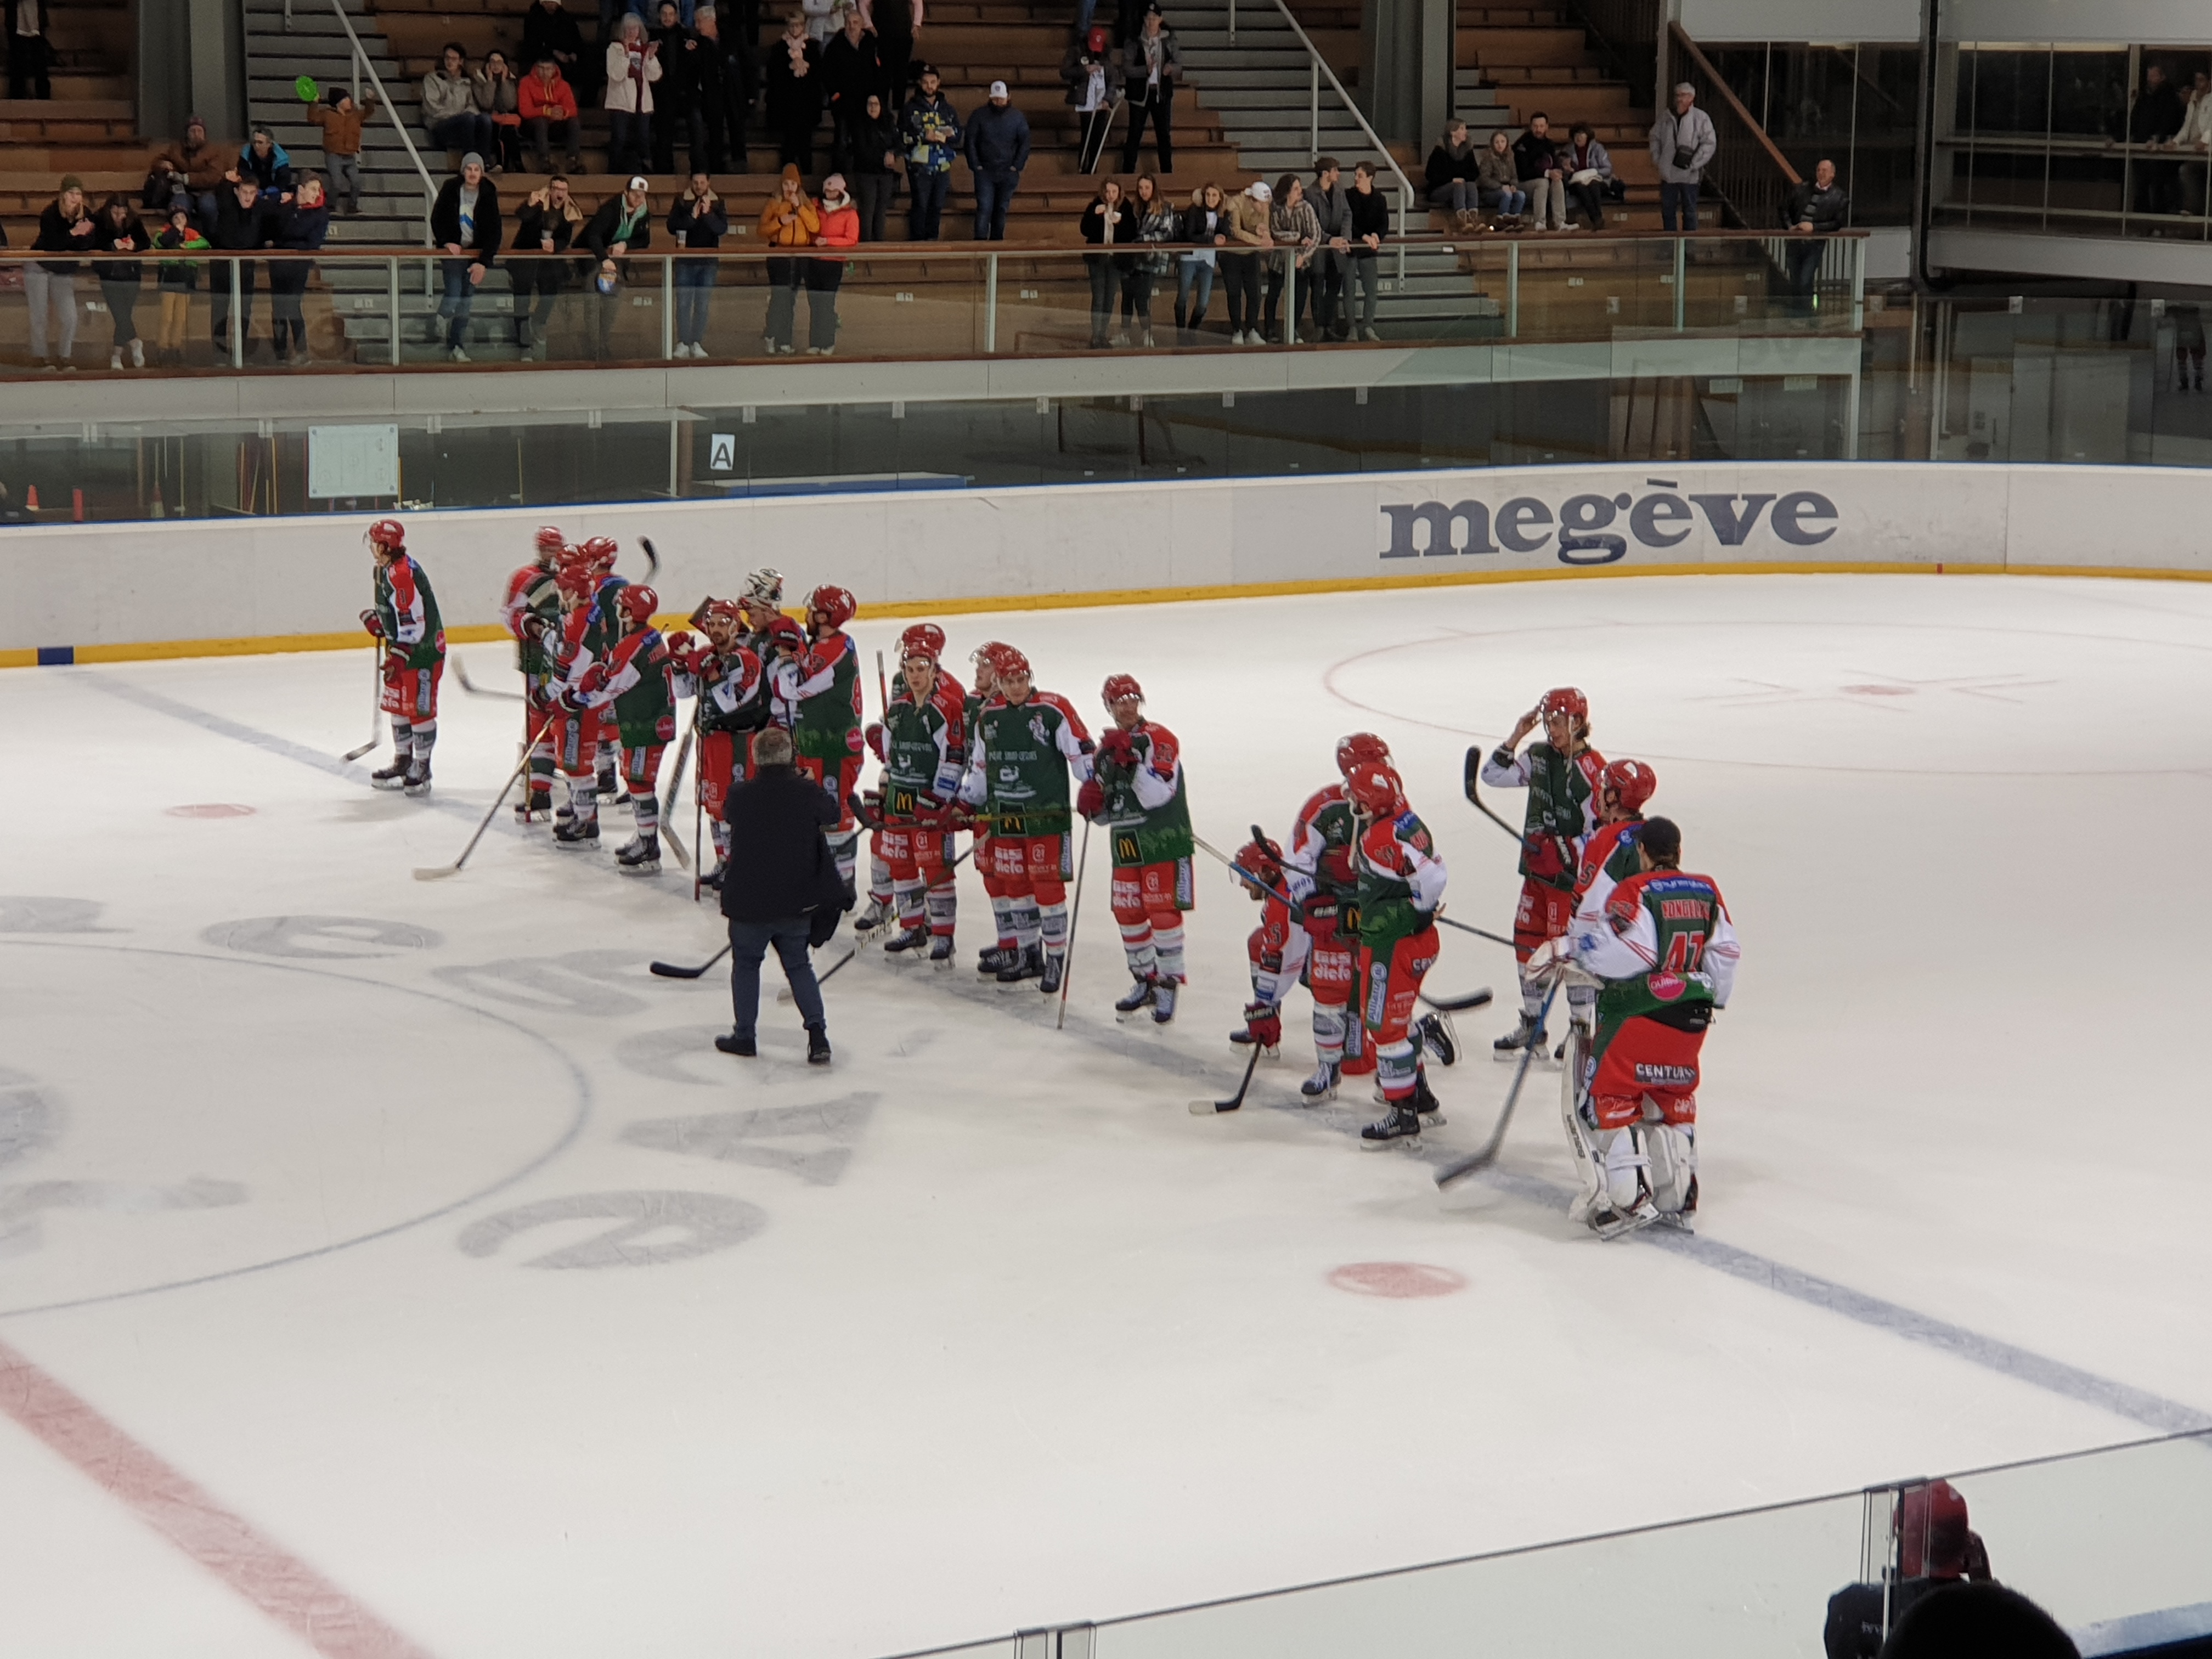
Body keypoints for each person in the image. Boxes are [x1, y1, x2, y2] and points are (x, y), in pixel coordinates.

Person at [1562, 816, 1739, 1234]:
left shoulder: (1636, 889)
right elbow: (1726, 954)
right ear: (1678, 851)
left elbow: (1629, 953)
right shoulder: (1708, 890)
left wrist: (1577, 953)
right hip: (1692, 1022)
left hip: (1639, 1017)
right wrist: (1709, 994)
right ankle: (1678, 1197)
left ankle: (1628, 1198)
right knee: (1672, 1098)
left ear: (1641, 851)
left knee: (1607, 1098)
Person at [1478, 686, 1606, 1057]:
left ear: (1579, 722)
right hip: (1536, 875)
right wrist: (1517, 735)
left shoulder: (1593, 771)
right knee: (1526, 942)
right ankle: (1533, 1025)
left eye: (1560, 721)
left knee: (1569, 953)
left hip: (1570, 883)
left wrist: (1565, 850)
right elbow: (1492, 775)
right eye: (1549, 721)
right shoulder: (1537, 756)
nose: (1553, 728)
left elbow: (1602, 832)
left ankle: (1580, 1030)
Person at [957, 642, 1093, 991]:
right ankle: (1029, 954)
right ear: (999, 682)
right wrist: (965, 803)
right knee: (1016, 886)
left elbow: (1082, 755)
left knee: (1047, 888)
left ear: (1030, 677)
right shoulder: (988, 717)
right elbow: (981, 769)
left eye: (1022, 679)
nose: (1017, 687)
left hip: (1045, 816)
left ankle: (1056, 958)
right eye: (1009, 681)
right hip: (1006, 818)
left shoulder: (1053, 709)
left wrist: (1096, 784)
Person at [715, 725, 841, 1066]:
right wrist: (810, 783)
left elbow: (728, 814)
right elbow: (833, 814)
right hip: (794, 902)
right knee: (799, 966)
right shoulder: (806, 793)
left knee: (746, 966)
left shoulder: (740, 795)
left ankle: (745, 1035)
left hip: (748, 902)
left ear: (755, 759)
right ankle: (818, 1036)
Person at [1342, 759, 1447, 1144]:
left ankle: (1402, 1113)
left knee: (1384, 1029)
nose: (1353, 802)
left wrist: (1420, 908)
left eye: (1357, 796)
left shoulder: (1379, 837)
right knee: (1398, 1023)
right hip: (1416, 940)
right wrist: (1422, 910)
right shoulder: (1407, 819)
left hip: (1392, 945)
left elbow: (1433, 875)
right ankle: (1421, 1097)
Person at [1077, 674, 1192, 1023]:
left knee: (1163, 915)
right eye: (1119, 700)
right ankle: (1145, 980)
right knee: (1128, 914)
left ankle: (1168, 985)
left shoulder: (1159, 738)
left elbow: (1157, 796)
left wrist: (1132, 767)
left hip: (1163, 840)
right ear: (1108, 706)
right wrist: (1092, 806)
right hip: (1126, 843)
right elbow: (1107, 813)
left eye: (1132, 699)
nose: (1127, 706)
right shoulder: (1104, 752)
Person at [865, 624, 968, 960]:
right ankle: (912, 928)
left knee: (936, 868)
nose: (915, 675)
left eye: (922, 668)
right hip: (900, 798)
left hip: (928, 801)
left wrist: (939, 798)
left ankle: (944, 935)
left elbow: (954, 756)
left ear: (935, 669)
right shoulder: (897, 710)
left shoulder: (947, 706)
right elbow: (891, 758)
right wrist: (885, 790)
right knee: (901, 865)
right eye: (909, 669)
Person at [564, 583, 678, 873]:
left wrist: (574, 698)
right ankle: (644, 836)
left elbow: (610, 687)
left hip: (646, 723)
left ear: (629, 611)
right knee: (635, 779)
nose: (617, 608)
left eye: (622, 605)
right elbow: (612, 672)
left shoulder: (634, 645)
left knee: (639, 782)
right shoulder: (647, 637)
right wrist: (600, 672)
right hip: (646, 720)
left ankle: (649, 846)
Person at [1824, 1480, 1996, 1659]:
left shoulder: (1853, 1605)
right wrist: (1985, 1588)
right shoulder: (1974, 1614)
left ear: (1900, 1535)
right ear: (1967, 1543)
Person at [662, 596, 768, 888]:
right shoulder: (708, 654)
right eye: (712, 623)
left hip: (736, 743)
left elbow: (731, 702)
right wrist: (680, 666)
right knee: (713, 805)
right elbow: (684, 692)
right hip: (709, 741)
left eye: (724, 623)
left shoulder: (746, 660)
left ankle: (741, 866)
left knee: (733, 808)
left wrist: (710, 672)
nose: (717, 629)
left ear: (735, 627)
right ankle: (724, 862)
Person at [773, 584, 866, 899]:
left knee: (834, 816)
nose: (808, 613)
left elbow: (792, 690)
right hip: (818, 743)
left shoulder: (833, 649)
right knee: (816, 814)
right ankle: (824, 880)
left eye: (813, 609)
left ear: (825, 616)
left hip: (833, 747)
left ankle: (843, 886)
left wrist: (786, 657)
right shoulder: (825, 645)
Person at [359, 518, 447, 798]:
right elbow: (396, 612)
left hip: (422, 652)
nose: (371, 547)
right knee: (398, 706)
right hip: (401, 650)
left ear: (384, 545)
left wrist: (399, 654)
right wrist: (380, 622)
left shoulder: (402, 574)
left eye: (375, 541)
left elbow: (414, 623)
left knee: (418, 710)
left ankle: (422, 766)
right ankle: (403, 760)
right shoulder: (382, 570)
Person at [501, 527, 567, 822]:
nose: (553, 555)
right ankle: (536, 764)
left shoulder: (571, 577)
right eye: (548, 549)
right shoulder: (524, 578)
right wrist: (530, 626)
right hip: (535, 661)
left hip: (566, 662)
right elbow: (509, 615)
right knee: (537, 715)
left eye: (556, 549)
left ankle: (561, 762)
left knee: (565, 714)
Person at [429, 154, 500, 362]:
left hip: (474, 255)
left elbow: (495, 231)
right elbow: (437, 218)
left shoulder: (489, 193)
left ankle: (457, 345)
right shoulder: (451, 188)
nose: (472, 173)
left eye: (476, 169)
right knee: (454, 293)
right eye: (469, 169)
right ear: (463, 171)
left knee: (466, 302)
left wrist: (483, 262)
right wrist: (446, 242)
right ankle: (439, 318)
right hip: (454, 252)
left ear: (482, 173)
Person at [582, 173, 654, 359]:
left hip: (617, 264)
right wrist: (604, 259)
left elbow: (644, 240)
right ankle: (594, 349)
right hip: (594, 259)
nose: (638, 198)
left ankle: (603, 344)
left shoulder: (643, 212)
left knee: (611, 305)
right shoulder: (610, 209)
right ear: (626, 192)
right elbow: (593, 235)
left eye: (642, 195)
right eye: (635, 194)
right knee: (593, 306)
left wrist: (625, 244)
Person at [512, 174, 583, 358]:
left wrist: (555, 246)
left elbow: (565, 239)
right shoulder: (538, 202)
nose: (560, 193)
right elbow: (521, 216)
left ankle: (538, 322)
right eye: (557, 189)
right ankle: (524, 345)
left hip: (548, 262)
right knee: (522, 301)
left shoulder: (569, 210)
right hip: (526, 256)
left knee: (549, 295)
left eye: (564, 190)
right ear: (550, 190)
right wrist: (529, 204)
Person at [266, 173, 331, 364]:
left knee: (293, 305)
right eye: (313, 189)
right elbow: (274, 229)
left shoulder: (321, 213)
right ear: (301, 189)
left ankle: (302, 351)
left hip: (299, 264)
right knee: (278, 307)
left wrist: (286, 241)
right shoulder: (287, 207)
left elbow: (313, 243)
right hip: (278, 263)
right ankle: (280, 352)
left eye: (318, 190)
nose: (316, 193)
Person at [207, 174, 273, 362]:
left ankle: (241, 351)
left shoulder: (260, 208)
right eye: (244, 192)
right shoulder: (227, 205)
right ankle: (219, 353)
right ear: (237, 192)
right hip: (221, 263)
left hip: (246, 265)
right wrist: (227, 181)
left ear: (257, 193)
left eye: (252, 193)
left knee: (244, 309)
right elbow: (221, 192)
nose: (248, 197)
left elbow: (276, 214)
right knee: (220, 309)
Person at [758, 163, 818, 353]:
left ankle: (785, 340)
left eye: (793, 184)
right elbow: (761, 231)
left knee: (791, 299)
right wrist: (779, 222)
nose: (789, 188)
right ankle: (771, 334)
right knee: (779, 298)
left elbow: (815, 227)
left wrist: (799, 207)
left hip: (800, 256)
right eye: (786, 184)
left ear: (798, 186)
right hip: (779, 256)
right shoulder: (774, 204)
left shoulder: (807, 204)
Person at [667, 170, 727, 357]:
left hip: (708, 261)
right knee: (683, 303)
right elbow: (671, 227)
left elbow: (721, 229)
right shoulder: (681, 201)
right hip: (686, 261)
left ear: (708, 183)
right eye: (695, 182)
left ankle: (696, 342)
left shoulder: (717, 202)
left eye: (702, 182)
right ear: (691, 183)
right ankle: (683, 342)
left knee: (702, 304)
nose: (699, 186)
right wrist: (692, 217)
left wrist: (708, 214)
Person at [964, 80, 1031, 241]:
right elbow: (970, 141)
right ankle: (980, 243)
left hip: (1007, 171)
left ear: (1008, 97)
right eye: (995, 99)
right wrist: (976, 166)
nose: (998, 102)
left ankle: (997, 244)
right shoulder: (979, 115)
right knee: (985, 207)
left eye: (1001, 99)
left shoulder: (1017, 117)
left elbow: (1025, 142)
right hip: (985, 171)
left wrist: (1016, 166)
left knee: (1001, 209)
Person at [1780, 157, 1848, 312]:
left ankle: (1806, 312)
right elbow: (1784, 208)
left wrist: (1814, 227)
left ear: (1832, 174)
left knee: (1805, 279)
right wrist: (1790, 227)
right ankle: (1797, 312)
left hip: (1814, 244)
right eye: (1819, 170)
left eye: (1825, 170)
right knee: (1795, 280)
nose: (1821, 173)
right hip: (1794, 241)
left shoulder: (1839, 197)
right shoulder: (1802, 189)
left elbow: (1837, 223)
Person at [900, 63, 960, 239]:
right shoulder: (910, 108)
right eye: (926, 82)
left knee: (937, 206)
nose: (930, 86)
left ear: (939, 82)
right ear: (920, 83)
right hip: (920, 166)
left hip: (943, 166)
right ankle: (918, 242)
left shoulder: (947, 109)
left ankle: (933, 240)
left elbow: (958, 135)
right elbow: (902, 136)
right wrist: (924, 136)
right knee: (921, 205)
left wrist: (949, 135)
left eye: (933, 82)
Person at [90, 195, 147, 371]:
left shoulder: (134, 221)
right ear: (109, 209)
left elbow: (146, 242)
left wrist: (134, 246)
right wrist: (112, 246)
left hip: (131, 274)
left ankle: (117, 354)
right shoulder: (99, 220)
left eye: (122, 213)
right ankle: (134, 342)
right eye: (115, 213)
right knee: (120, 314)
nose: (119, 217)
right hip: (109, 274)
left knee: (125, 314)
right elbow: (93, 242)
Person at [820, 7, 882, 171]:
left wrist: (875, 95)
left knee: (862, 141)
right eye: (848, 23)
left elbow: (878, 72)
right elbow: (826, 71)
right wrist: (835, 94)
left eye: (855, 23)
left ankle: (861, 175)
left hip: (865, 102)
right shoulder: (836, 45)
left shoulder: (871, 44)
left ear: (862, 25)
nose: (852, 26)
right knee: (841, 141)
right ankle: (837, 176)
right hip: (843, 102)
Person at [1119, 4, 1178, 173]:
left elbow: (1179, 62)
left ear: (1161, 20)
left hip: (1161, 93)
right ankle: (1128, 171)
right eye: (1149, 18)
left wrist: (1170, 68)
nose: (1151, 22)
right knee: (1135, 134)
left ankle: (1167, 172)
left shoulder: (1168, 39)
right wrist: (1145, 70)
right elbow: (1126, 69)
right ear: (1144, 20)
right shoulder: (1134, 40)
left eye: (1155, 18)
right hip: (1139, 94)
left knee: (1164, 135)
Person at [1650, 81, 1714, 232]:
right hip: (1668, 172)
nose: (1679, 99)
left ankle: (1689, 245)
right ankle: (1669, 244)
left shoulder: (1701, 118)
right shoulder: (1666, 116)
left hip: (1689, 173)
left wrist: (1695, 163)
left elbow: (1709, 143)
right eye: (1677, 95)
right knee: (1668, 212)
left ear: (1692, 98)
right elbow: (1654, 137)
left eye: (1683, 95)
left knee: (1690, 212)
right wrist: (1657, 159)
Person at [304, 85, 377, 216]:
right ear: (339, 102)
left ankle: (352, 206)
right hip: (333, 155)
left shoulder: (356, 115)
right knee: (336, 183)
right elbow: (313, 119)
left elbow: (368, 112)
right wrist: (314, 103)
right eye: (346, 99)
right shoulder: (328, 114)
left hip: (350, 156)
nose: (350, 101)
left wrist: (370, 100)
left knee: (356, 182)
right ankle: (330, 206)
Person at [605, 14, 663, 173]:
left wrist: (651, 57)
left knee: (644, 140)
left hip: (642, 102)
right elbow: (616, 75)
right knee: (619, 139)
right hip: (621, 102)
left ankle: (647, 172)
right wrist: (625, 54)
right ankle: (613, 173)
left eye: (635, 28)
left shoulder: (644, 49)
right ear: (622, 31)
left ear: (640, 30)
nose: (631, 32)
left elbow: (654, 76)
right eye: (628, 29)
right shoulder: (614, 48)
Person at [806, 172, 857, 353]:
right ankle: (815, 343)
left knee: (827, 304)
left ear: (841, 192)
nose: (830, 194)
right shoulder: (815, 207)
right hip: (813, 261)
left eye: (834, 191)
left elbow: (851, 239)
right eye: (827, 191)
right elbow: (809, 228)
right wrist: (814, 240)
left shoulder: (849, 213)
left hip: (834, 262)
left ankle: (828, 343)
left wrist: (828, 241)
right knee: (814, 304)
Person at [1263, 171, 1317, 341]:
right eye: (1296, 189)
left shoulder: (1306, 208)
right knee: (1273, 295)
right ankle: (1270, 330)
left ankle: (1293, 329)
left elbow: (1315, 235)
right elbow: (1276, 232)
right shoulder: (1276, 209)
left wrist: (1304, 255)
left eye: (1300, 188)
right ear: (1287, 192)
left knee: (1299, 297)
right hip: (1278, 261)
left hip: (1301, 262)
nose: (1300, 191)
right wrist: (1298, 237)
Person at [765, 12, 822, 170]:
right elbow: (773, 75)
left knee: (806, 145)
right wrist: (789, 67)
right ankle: (788, 175)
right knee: (788, 145)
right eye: (791, 25)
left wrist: (807, 67)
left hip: (807, 104)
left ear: (803, 26)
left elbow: (819, 75)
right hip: (787, 105)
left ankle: (807, 175)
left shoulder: (813, 47)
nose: (795, 28)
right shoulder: (779, 48)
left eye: (798, 25)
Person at [153, 205, 208, 366]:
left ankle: (176, 346)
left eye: (183, 218)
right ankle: (162, 347)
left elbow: (204, 243)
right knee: (167, 316)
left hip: (186, 277)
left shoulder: (192, 233)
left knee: (180, 317)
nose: (180, 220)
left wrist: (187, 246)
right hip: (169, 276)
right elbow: (160, 243)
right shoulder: (164, 232)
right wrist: (176, 233)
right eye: (176, 218)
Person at [1123, 171, 1174, 346]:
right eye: (1141, 188)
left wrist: (1143, 239)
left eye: (1147, 188)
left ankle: (1147, 334)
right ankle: (1125, 334)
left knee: (1142, 298)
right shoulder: (1134, 208)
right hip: (1132, 259)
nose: (1144, 191)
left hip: (1151, 259)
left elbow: (1167, 233)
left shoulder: (1165, 208)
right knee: (1127, 296)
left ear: (1154, 188)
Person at [1063, 25, 1121, 175]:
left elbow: (1113, 80)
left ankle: (1093, 168)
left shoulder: (1107, 57)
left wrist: (1108, 99)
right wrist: (1084, 70)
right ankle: (1083, 168)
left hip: (1101, 102)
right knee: (1087, 135)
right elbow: (1065, 72)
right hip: (1085, 100)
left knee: (1098, 137)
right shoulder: (1077, 51)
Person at [424, 43, 496, 162]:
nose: (450, 62)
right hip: (440, 125)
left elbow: (472, 106)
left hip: (464, 124)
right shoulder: (432, 79)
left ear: (461, 61)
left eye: (454, 59)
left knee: (485, 119)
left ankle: (485, 161)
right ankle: (469, 161)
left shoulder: (466, 82)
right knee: (468, 119)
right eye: (447, 58)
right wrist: (459, 115)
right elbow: (432, 108)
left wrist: (465, 115)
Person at [2130, 63, 2185, 218]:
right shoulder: (2144, 96)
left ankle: (2158, 220)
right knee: (2141, 186)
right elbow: (2133, 120)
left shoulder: (2170, 97)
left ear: (2162, 77)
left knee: (2158, 187)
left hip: (2159, 152)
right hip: (2141, 146)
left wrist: (2158, 137)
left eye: (2153, 76)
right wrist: (2119, 137)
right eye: (2149, 76)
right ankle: (2141, 219)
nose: (2150, 80)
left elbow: (2169, 120)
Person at [1218, 177, 1269, 344]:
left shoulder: (1265, 207)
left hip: (1251, 254)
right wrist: (1258, 241)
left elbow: (1265, 227)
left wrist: (1264, 234)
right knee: (1234, 293)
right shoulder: (1236, 203)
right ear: (1253, 200)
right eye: (1262, 204)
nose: (1265, 208)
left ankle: (1252, 328)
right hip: (1232, 254)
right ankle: (1237, 329)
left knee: (1255, 293)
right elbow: (1236, 231)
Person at [1079, 177, 1128, 348]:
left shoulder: (1126, 207)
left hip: (1116, 260)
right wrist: (1095, 215)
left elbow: (1130, 233)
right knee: (1098, 298)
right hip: (1097, 259)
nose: (1111, 195)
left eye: (1114, 191)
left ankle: (1103, 334)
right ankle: (1096, 335)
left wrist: (1120, 223)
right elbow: (1085, 230)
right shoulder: (1095, 205)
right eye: (1108, 192)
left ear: (1119, 192)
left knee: (1110, 299)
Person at [687, 5, 737, 171]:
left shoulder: (730, 37)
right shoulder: (697, 44)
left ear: (712, 20)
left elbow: (744, 63)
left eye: (700, 21)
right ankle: (715, 168)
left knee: (736, 131)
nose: (697, 26)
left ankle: (738, 165)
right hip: (711, 96)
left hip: (733, 93)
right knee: (714, 134)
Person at [1305, 156, 1348, 338]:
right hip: (1319, 247)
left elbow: (1347, 214)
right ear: (1325, 174)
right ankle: (1320, 327)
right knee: (1317, 286)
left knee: (1334, 286)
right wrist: (1329, 239)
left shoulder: (1339, 191)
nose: (1338, 173)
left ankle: (1330, 325)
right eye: (1335, 170)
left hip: (1337, 247)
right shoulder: (1310, 194)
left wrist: (1344, 238)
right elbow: (1311, 224)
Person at [1175, 179, 1223, 337]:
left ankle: (1192, 330)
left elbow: (1225, 233)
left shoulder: (1222, 215)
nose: (1211, 199)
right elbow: (1190, 235)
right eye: (1208, 195)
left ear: (1220, 198)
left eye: (1214, 195)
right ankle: (1180, 332)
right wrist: (1211, 240)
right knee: (1183, 297)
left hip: (1208, 260)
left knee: (1203, 303)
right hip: (1189, 258)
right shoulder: (1194, 211)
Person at [1344, 159, 1386, 340]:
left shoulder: (1380, 198)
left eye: (1360, 175)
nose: (1356, 178)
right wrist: (1363, 237)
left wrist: (1377, 235)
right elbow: (1348, 222)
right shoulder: (1348, 196)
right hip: (1352, 249)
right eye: (1355, 175)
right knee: (1349, 290)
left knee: (1371, 290)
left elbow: (1384, 224)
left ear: (1370, 178)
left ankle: (1368, 325)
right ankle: (1351, 327)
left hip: (1369, 251)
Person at [850, 91, 900, 240]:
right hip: (866, 173)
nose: (873, 107)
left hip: (885, 173)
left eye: (876, 104)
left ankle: (879, 243)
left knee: (881, 211)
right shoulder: (859, 125)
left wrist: (893, 153)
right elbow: (861, 150)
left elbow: (899, 144)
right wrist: (883, 158)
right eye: (870, 104)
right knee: (868, 210)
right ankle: (866, 244)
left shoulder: (889, 123)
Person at [520, 57, 582, 173]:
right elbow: (525, 111)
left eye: (548, 69)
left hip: (555, 125)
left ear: (554, 69)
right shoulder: (526, 82)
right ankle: (544, 161)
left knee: (574, 122)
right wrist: (547, 112)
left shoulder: (563, 85)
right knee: (541, 121)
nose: (545, 72)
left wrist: (562, 113)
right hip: (532, 126)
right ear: (536, 68)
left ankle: (573, 161)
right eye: (542, 69)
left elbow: (573, 109)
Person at [861, 0, 921, 112]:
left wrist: (917, 24)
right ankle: (882, 110)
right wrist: (868, 24)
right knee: (884, 73)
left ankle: (899, 109)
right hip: (882, 35)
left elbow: (918, 3)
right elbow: (863, 4)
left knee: (901, 73)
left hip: (903, 33)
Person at [1425, 118, 1482, 231]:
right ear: (1453, 132)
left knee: (1471, 185)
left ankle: (1473, 220)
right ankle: (1462, 222)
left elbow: (1475, 172)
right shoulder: (1440, 151)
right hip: (1439, 189)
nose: (1466, 132)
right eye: (1462, 129)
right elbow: (1431, 175)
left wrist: (1462, 178)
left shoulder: (1467, 150)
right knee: (1458, 185)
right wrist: (1452, 180)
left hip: (1462, 186)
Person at [1513, 112, 1566, 231]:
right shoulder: (1522, 145)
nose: (1538, 130)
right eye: (1535, 126)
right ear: (1531, 127)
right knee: (1543, 182)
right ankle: (1540, 222)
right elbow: (1523, 172)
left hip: (1544, 185)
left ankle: (1560, 222)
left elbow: (1556, 163)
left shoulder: (1549, 144)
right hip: (1523, 184)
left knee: (1557, 181)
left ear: (1547, 127)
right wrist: (1547, 173)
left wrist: (1559, 172)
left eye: (1541, 126)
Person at [476, 49, 525, 173]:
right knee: (499, 129)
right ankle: (513, 164)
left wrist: (504, 81)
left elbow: (510, 104)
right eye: (492, 62)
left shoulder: (512, 81)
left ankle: (509, 164)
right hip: (486, 120)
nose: (496, 65)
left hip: (504, 120)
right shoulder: (478, 80)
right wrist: (490, 81)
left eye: (499, 62)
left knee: (508, 129)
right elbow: (486, 104)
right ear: (487, 64)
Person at [521, 0, 588, 91]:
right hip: (544, 57)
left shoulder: (566, 18)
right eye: (549, 2)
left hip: (568, 57)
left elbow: (577, 40)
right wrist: (554, 53)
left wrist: (575, 53)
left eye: (554, 3)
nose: (552, 5)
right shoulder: (533, 19)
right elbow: (532, 45)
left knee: (590, 70)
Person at [1559, 120, 1612, 230]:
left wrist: (1594, 172)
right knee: (1581, 188)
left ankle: (1598, 218)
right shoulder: (1568, 150)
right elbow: (1563, 171)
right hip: (1576, 182)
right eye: (1576, 135)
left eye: (1582, 135)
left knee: (1593, 184)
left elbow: (1608, 169)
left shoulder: (1597, 148)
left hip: (1597, 180)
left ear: (1588, 136)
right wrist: (1569, 171)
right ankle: (1596, 219)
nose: (1579, 138)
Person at [1474, 128, 1525, 227]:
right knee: (1507, 195)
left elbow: (1514, 176)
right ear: (1493, 144)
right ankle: (1501, 219)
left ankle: (1514, 219)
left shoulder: (1510, 157)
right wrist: (1500, 187)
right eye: (1497, 142)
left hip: (1507, 188)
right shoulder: (1488, 158)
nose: (1500, 145)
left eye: (1502, 142)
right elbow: (1484, 179)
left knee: (1521, 195)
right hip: (1490, 192)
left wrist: (1513, 185)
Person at [233, 124, 295, 196]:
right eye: (254, 142)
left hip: (273, 191)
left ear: (269, 144)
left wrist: (273, 191)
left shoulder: (280, 159)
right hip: (251, 190)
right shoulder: (246, 154)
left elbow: (284, 180)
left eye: (260, 142)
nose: (256, 146)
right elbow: (244, 172)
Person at [6, 0, 51, 99]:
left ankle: (43, 93)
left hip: (36, 19)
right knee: (17, 59)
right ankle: (17, 93)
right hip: (17, 19)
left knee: (40, 59)